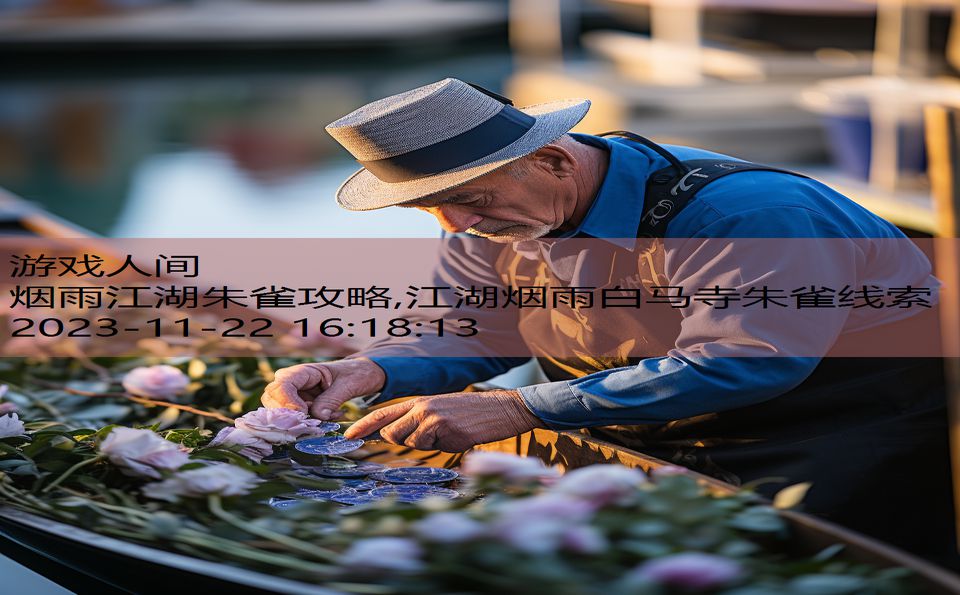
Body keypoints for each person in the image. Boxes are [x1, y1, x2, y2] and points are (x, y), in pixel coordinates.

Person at [260, 78, 955, 562]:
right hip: (646, 441)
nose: (456, 226)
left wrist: (522, 407)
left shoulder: (751, 215)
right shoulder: (487, 222)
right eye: (428, 210)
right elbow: (477, 330)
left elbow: (747, 359)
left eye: (467, 199)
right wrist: (368, 367)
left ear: (554, 158)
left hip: (835, 437)